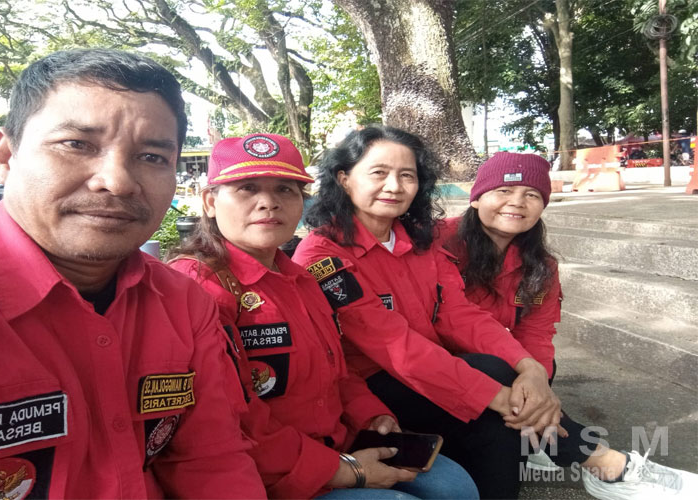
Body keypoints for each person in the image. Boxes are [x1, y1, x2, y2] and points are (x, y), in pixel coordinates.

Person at [0, 49, 265, 499]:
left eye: (151, 156)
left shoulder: (184, 303)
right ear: (6, 156)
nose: (117, 181)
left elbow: (211, 462)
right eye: (76, 144)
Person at [292, 126, 697, 500]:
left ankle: (575, 457)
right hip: (370, 390)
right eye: (378, 173)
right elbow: (394, 346)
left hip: (434, 375)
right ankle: (603, 462)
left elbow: (458, 314)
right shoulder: (323, 254)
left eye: (407, 175)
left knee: (501, 419)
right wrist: (500, 395)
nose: (394, 186)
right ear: (344, 178)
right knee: (496, 387)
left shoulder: (418, 242)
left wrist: (531, 369)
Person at [169, 133, 478, 499]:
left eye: (285, 190)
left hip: (338, 443)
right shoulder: (198, 288)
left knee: (455, 486)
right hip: (273, 472)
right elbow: (231, 422)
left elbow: (338, 373)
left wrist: (373, 416)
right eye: (247, 188)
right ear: (210, 201)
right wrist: (345, 471)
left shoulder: (301, 279)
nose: (268, 202)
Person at [437, 151, 698, 499]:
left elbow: (536, 333)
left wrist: (538, 386)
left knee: (534, 368)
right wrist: (525, 371)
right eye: (503, 191)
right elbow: (452, 319)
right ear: (476, 198)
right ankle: (604, 463)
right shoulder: (437, 244)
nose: (517, 202)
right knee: (497, 368)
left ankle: (538, 433)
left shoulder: (539, 265)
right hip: (436, 368)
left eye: (532, 194)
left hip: (496, 369)